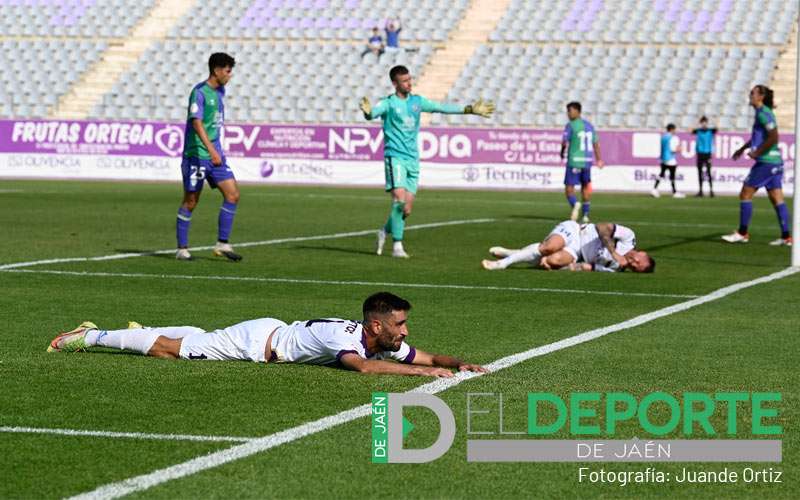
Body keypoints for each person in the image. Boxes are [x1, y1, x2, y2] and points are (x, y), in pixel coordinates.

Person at [47, 292, 488, 378]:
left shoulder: (374, 337)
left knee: (190, 342)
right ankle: (91, 337)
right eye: (399, 325)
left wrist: (455, 363)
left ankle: (140, 331)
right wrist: (421, 377)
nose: (405, 332)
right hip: (255, 344)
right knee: (173, 352)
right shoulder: (350, 343)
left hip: (266, 334)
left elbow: (421, 355)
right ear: (377, 325)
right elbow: (366, 368)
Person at [360, 65, 494, 258]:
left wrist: (469, 109)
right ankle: (398, 246)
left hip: (413, 159)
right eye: (405, 81)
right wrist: (367, 113)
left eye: (409, 79)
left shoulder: (417, 101)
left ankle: (384, 231)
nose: (409, 83)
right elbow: (372, 112)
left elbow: (441, 107)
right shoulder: (388, 103)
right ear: (395, 83)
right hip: (395, 157)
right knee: (399, 201)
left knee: (406, 209)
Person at [176, 52, 242, 262]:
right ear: (216, 70)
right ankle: (182, 249)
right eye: (228, 71)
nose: (230, 75)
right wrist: (211, 150)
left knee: (232, 195)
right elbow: (196, 123)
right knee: (191, 201)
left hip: (216, 155)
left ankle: (222, 244)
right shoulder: (199, 92)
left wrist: (217, 151)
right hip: (197, 155)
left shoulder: (220, 91)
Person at [722, 85, 792, 246]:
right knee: (777, 199)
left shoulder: (763, 113)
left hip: (766, 163)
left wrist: (757, 152)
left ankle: (742, 233)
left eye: (752, 93)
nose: (750, 95)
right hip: (775, 162)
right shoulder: (763, 113)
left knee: (745, 194)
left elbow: (774, 137)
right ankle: (787, 236)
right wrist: (743, 148)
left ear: (760, 96)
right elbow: (760, 137)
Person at [481, 220, 655, 273]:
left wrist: (561, 267)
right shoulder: (629, 238)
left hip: (577, 252)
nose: (633, 264)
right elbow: (603, 227)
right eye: (638, 262)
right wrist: (613, 252)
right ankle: (502, 263)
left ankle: (513, 253)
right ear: (643, 253)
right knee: (549, 247)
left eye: (634, 269)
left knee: (552, 259)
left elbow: (588, 266)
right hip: (576, 231)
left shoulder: (617, 268)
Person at [560, 102, 604, 223]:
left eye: (570, 110)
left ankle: (575, 204)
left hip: (574, 160)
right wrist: (599, 159)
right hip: (587, 162)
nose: (568, 113)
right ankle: (585, 215)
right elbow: (596, 143)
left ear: (577, 111)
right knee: (585, 187)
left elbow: (564, 142)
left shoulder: (571, 125)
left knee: (569, 188)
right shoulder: (589, 125)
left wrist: (562, 152)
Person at [651, 123, 685, 198]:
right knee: (672, 176)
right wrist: (679, 149)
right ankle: (674, 192)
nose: (675, 131)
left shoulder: (663, 137)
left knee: (662, 174)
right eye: (675, 129)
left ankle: (654, 189)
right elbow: (673, 149)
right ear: (672, 129)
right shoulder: (673, 137)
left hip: (663, 158)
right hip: (671, 159)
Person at [691, 116, 717, 197]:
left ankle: (711, 191)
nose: (704, 124)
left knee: (709, 172)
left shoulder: (710, 131)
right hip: (700, 154)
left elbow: (717, 128)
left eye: (705, 122)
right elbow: (690, 130)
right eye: (702, 122)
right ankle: (700, 191)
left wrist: (712, 121)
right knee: (699, 172)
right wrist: (697, 123)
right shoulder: (698, 131)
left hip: (707, 154)